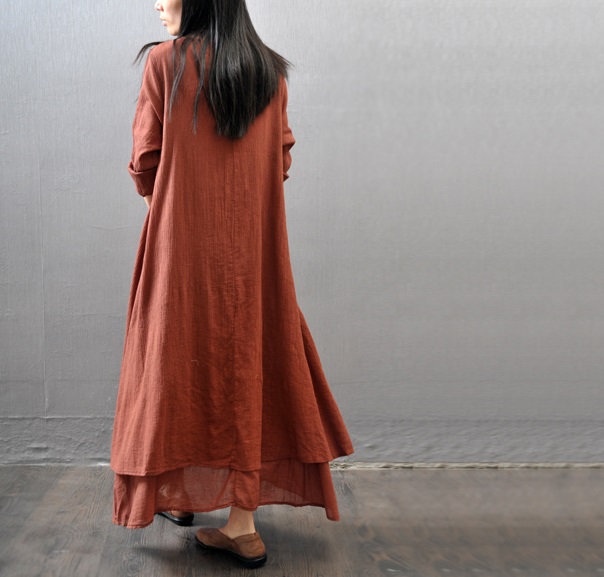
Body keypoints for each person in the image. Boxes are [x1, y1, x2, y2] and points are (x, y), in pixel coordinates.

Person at [110, 0, 354, 569]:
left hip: (181, 249)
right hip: (254, 252)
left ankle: (176, 491)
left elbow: (146, 162)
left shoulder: (165, 63)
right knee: (250, 363)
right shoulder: (270, 71)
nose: (157, 2)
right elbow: (281, 160)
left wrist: (172, 203)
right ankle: (240, 523)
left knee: (172, 363)